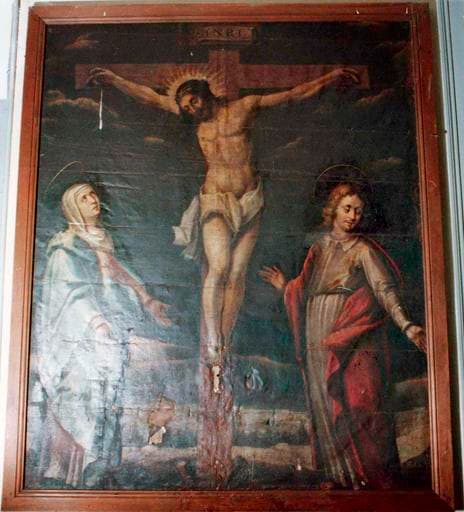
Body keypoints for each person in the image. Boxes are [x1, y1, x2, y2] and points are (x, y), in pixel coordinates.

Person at [87, 67, 360, 370]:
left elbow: (293, 95)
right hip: (216, 198)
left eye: (194, 101)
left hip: (250, 199)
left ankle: (224, 340)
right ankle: (213, 336)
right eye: (187, 107)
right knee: (219, 266)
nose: (192, 109)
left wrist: (330, 77)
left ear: (205, 92)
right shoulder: (194, 120)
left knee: (237, 272)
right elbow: (149, 97)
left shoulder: (245, 107)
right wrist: (114, 79)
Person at [259, 182, 426, 490]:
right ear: (333, 209)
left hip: (345, 330)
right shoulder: (319, 248)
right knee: (322, 398)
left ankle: (363, 475)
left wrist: (407, 325)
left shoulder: (363, 250)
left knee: (352, 398)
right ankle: (336, 474)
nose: (353, 216)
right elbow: (304, 289)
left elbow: (384, 290)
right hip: (315, 328)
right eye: (347, 209)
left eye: (358, 211)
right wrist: (285, 287)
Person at [33, 182, 172, 488]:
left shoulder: (104, 240)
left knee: (108, 398)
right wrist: (96, 321)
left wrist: (147, 300)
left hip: (109, 335)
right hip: (80, 338)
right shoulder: (64, 246)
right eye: (84, 198)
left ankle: (98, 469)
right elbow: (68, 293)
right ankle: (65, 472)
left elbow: (121, 274)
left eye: (93, 195)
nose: (93, 200)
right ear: (72, 207)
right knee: (79, 399)